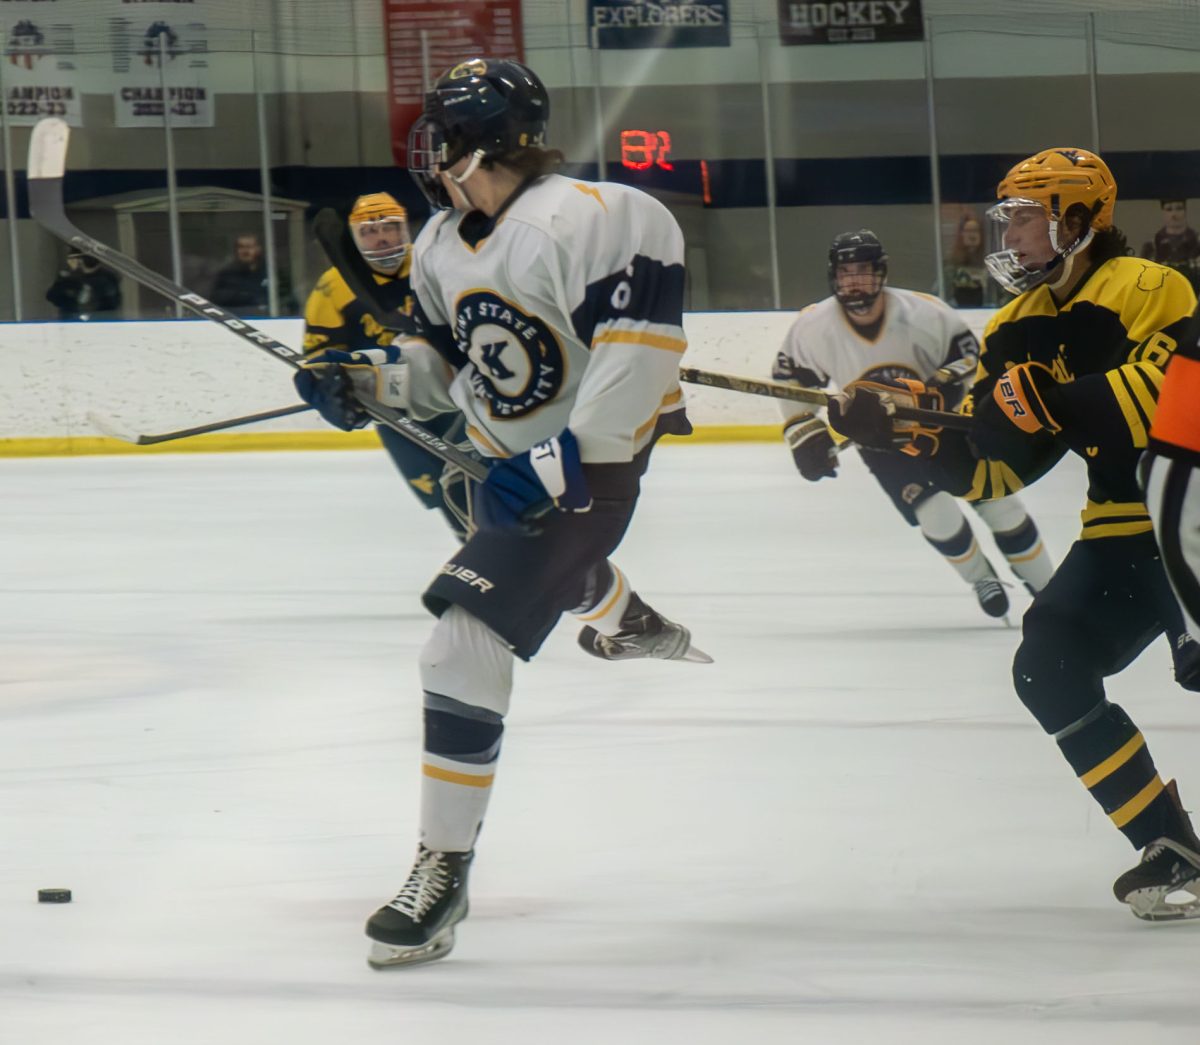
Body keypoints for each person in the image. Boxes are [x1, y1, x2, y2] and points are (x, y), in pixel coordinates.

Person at [294, 57, 702, 966]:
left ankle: (441, 872)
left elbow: (632, 364)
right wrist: (364, 381)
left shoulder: (608, 216)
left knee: (461, 638)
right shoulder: (442, 241)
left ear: (486, 137)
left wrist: (561, 464)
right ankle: (623, 614)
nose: (427, 154)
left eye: (439, 133)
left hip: (586, 480)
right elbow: (450, 373)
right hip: (506, 465)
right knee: (521, 591)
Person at [827, 147, 1200, 921]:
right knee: (1048, 663)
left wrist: (1053, 399)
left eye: (1025, 217)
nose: (1012, 234)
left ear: (1076, 218)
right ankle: (1172, 843)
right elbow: (1001, 469)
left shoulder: (1150, 287)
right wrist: (914, 439)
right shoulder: (1014, 327)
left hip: (1191, 514)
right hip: (1121, 528)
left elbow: (1164, 398)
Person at [773, 229, 1054, 620]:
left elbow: (973, 360)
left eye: (863, 270)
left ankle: (1050, 591)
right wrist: (805, 434)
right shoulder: (812, 326)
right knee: (936, 514)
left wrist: (937, 387)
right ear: (834, 277)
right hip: (883, 446)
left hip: (948, 426)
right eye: (845, 272)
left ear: (881, 273)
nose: (853, 280)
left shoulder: (926, 313)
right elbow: (790, 384)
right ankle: (980, 578)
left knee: (1002, 508)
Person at [303, 192, 469, 537]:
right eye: (368, 232)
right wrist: (331, 390)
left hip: (456, 395)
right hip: (394, 411)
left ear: (406, 229)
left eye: (391, 228)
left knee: (475, 487)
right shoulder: (332, 288)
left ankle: (500, 564)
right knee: (442, 495)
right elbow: (320, 359)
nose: (381, 237)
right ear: (353, 237)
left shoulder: (432, 265)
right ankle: (484, 561)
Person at [209, 232, 292, 316]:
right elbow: (216, 302)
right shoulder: (226, 275)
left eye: (249, 247)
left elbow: (290, 302)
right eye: (241, 247)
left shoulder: (273, 273)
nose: (245, 251)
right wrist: (247, 297)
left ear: (259, 248)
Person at [1140, 199, 1200, 293]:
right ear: (1163, 212)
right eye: (1169, 209)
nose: (1174, 214)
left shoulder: (1198, 243)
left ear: (1185, 211)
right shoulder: (1151, 246)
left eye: (1179, 208)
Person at [45, 250, 122, 321]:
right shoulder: (70, 277)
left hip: (97, 325)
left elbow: (112, 304)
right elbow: (51, 296)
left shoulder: (107, 279)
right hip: (71, 323)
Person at [942, 210, 993, 308]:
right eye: (968, 231)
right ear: (961, 234)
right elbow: (942, 292)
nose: (972, 235)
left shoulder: (991, 262)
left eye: (975, 230)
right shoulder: (951, 262)